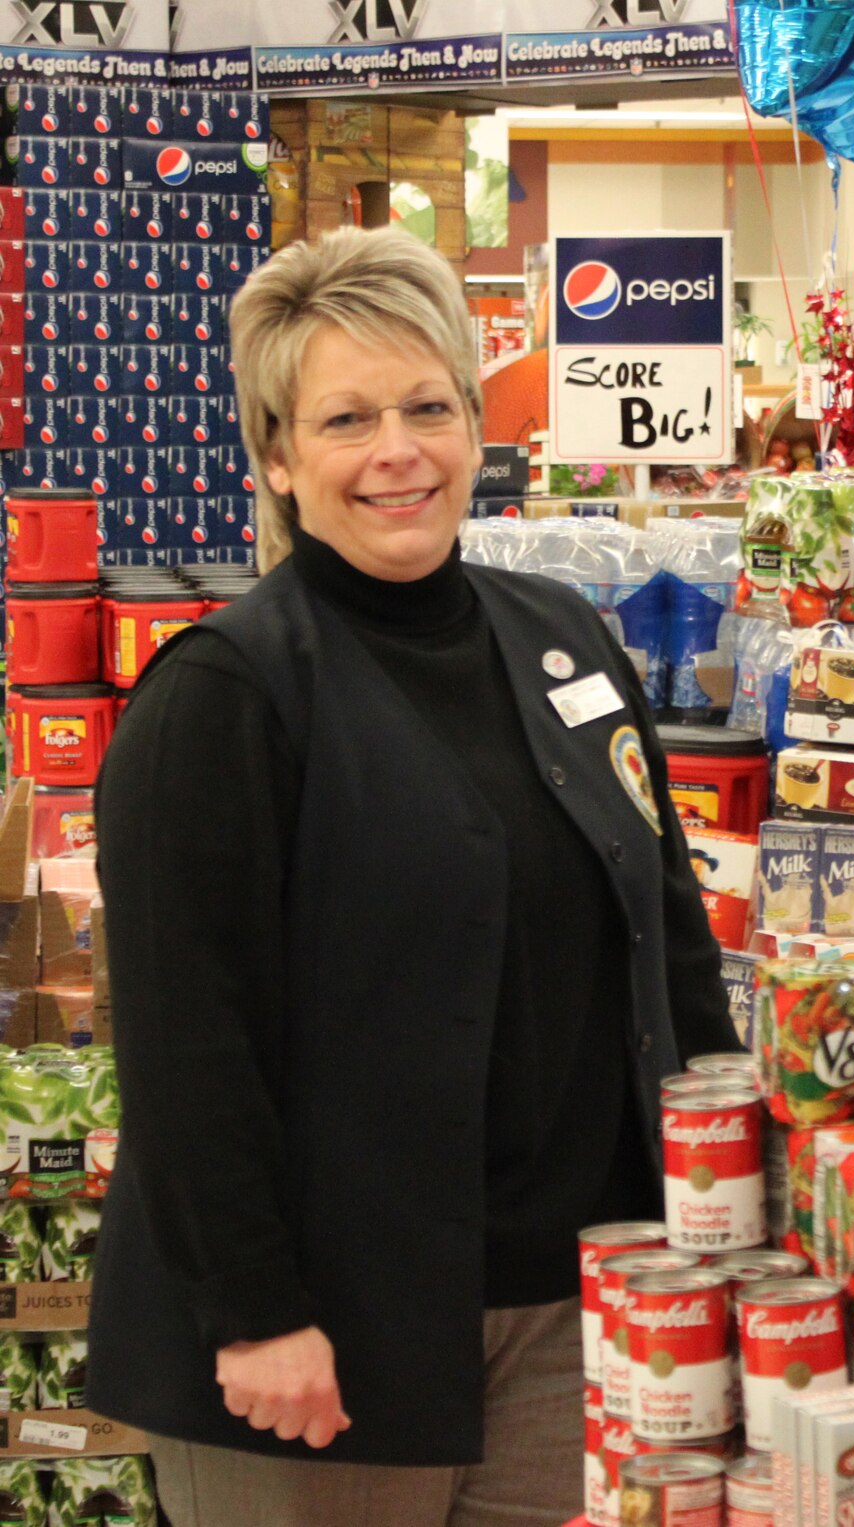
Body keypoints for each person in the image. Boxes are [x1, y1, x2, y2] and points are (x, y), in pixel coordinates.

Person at [89, 226, 737, 1526]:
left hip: (577, 1313)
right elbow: (183, 1038)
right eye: (346, 418)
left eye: (429, 404)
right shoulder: (226, 691)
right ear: (277, 455)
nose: (399, 449)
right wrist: (258, 1310)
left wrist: (724, 1215)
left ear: (473, 423)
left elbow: (666, 936)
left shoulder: (561, 636)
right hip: (324, 1346)